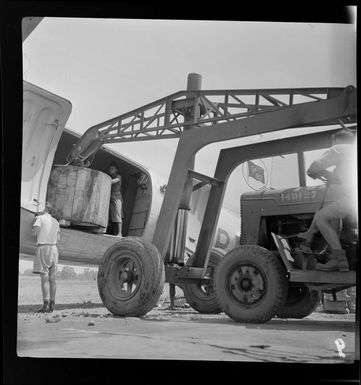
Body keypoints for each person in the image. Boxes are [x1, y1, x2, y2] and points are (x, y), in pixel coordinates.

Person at [297, 128, 357, 272]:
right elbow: (341, 179)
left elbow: (314, 167)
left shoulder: (338, 148)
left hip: (350, 198)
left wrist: (317, 172)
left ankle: (337, 257)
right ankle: (318, 240)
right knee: (331, 210)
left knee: (320, 217)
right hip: (352, 197)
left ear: (337, 140)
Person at [32, 201, 61, 312]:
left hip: (43, 248)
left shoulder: (40, 218)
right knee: (53, 279)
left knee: (44, 278)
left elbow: (34, 233)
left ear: (45, 208)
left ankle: (45, 305)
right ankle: (52, 305)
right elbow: (58, 238)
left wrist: (34, 224)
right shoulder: (55, 221)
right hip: (54, 249)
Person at [109, 162, 123, 237]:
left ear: (116, 170)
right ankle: (115, 233)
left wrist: (106, 180)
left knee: (118, 215)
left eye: (112, 168)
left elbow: (114, 181)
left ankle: (120, 233)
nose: (110, 170)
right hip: (111, 197)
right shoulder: (110, 177)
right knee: (113, 216)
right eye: (110, 168)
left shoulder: (118, 176)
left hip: (117, 197)